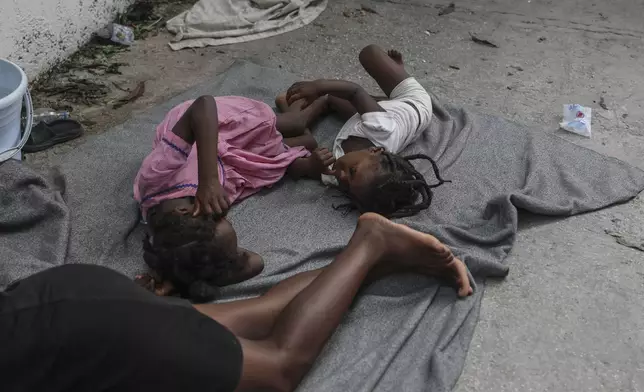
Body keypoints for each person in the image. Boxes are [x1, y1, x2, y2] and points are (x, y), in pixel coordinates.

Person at [1, 213, 472, 392]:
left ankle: (370, 242)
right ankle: (377, 260)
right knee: (262, 312)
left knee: (278, 366)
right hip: (68, 293)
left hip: (87, 337)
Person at [133, 95, 333, 301]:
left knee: (296, 123)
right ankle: (290, 144)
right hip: (226, 160)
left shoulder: (157, 174)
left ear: (184, 212)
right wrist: (180, 281)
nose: (224, 213)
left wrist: (208, 180)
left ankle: (325, 99)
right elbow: (256, 263)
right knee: (298, 149)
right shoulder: (180, 248)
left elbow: (204, 105)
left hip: (207, 128)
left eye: (218, 217)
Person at [278, 44, 448, 218]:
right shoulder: (381, 129)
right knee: (369, 53)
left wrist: (310, 166)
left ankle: (379, 97)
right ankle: (396, 71)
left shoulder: (338, 175)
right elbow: (354, 91)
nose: (341, 177)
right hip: (413, 104)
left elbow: (290, 165)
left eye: (347, 188)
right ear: (375, 150)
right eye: (352, 171)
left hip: (375, 114)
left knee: (331, 100)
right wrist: (318, 86)